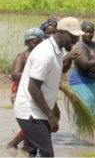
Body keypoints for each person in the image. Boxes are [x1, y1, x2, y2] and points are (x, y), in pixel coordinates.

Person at [14, 17, 84, 157]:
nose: (76, 41)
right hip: (30, 112)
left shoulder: (57, 51)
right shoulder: (45, 53)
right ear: (61, 32)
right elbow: (33, 88)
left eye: (77, 37)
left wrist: (52, 109)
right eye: (72, 36)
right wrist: (50, 115)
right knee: (46, 154)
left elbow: (51, 79)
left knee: (34, 152)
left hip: (39, 111)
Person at [8, 28, 44, 150]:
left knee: (35, 122)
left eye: (40, 42)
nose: (38, 45)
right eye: (34, 42)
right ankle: (13, 144)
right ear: (27, 42)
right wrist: (32, 74)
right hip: (20, 93)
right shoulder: (22, 56)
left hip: (35, 92)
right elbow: (14, 74)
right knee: (29, 124)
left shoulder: (42, 56)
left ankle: (27, 147)